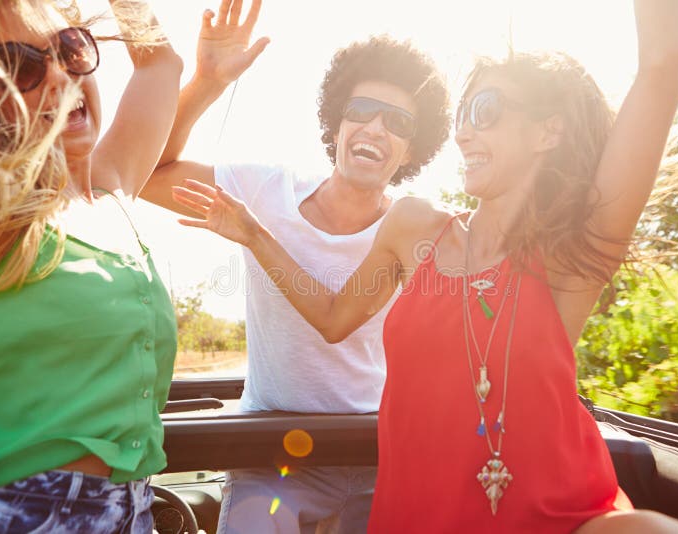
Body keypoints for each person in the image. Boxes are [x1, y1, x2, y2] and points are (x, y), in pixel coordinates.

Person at [171, 0, 678, 532]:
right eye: (461, 115)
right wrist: (252, 234)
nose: (463, 133)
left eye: (486, 111)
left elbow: (665, 63)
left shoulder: (572, 260)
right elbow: (333, 319)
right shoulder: (414, 228)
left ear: (549, 132)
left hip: (560, 512)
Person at [140, 1, 451, 532]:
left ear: (411, 148)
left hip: (375, 451)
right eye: (362, 110)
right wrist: (208, 83)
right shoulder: (263, 188)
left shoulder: (410, 227)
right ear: (338, 120)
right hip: (273, 454)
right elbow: (145, 171)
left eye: (397, 122)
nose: (375, 128)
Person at [0, 0, 182, 531]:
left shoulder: (107, 190)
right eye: (21, 65)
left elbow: (161, 66)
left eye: (70, 49)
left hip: (134, 512)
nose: (61, 75)